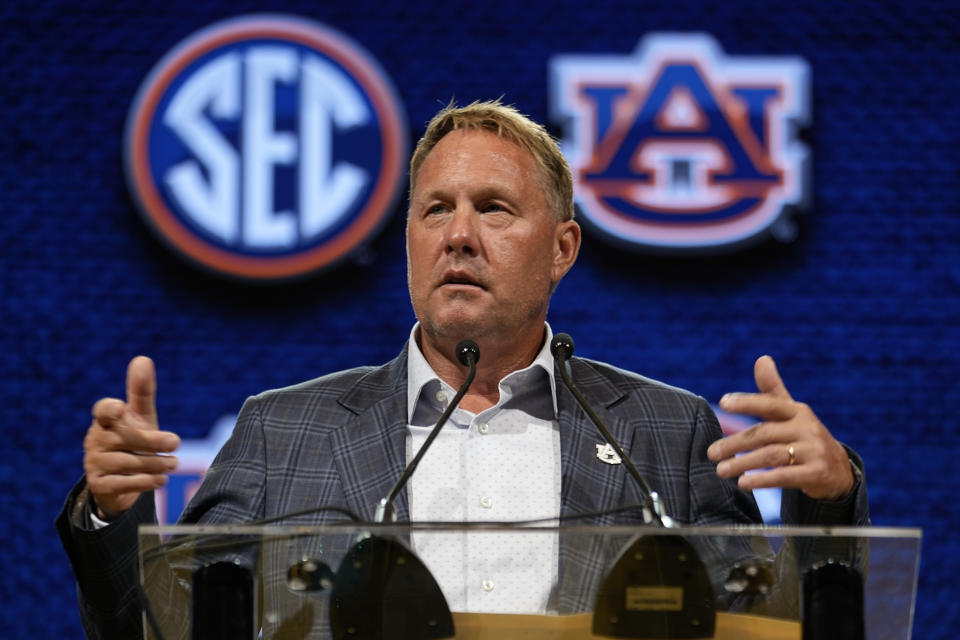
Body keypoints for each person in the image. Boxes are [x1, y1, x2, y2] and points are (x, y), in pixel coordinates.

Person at [58, 100, 868, 638]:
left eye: (494, 208)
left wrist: (826, 502)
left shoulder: (666, 430)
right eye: (435, 208)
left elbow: (769, 623)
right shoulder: (282, 429)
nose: (459, 235)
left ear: (561, 249)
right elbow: (154, 631)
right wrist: (113, 515)